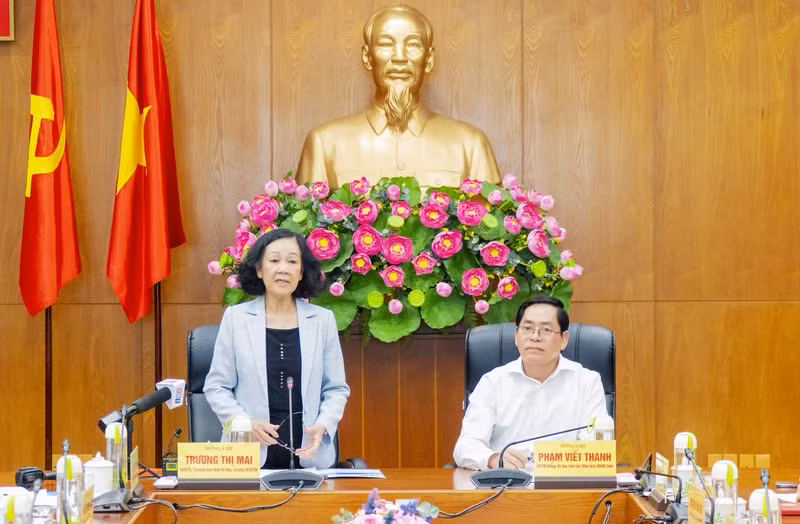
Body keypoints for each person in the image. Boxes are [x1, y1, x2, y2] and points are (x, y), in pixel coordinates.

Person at [296, 4, 501, 192]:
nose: (400, 57)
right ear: (367, 57)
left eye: (413, 45)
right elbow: (303, 224)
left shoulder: (470, 145)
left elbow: (491, 223)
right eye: (386, 44)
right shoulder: (325, 143)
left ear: (428, 60)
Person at [204, 229, 350, 469]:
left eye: (292, 261)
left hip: (309, 457)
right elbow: (216, 387)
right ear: (260, 269)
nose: (283, 268)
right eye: (274, 260)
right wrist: (243, 423)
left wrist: (324, 425)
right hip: (249, 459)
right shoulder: (236, 318)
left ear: (301, 272)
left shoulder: (322, 320)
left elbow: (336, 388)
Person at [453, 296, 607, 471]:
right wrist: (492, 459)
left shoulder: (587, 382)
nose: (535, 337)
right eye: (527, 328)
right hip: (506, 486)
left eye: (546, 330)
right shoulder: (493, 382)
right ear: (517, 336)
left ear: (564, 339)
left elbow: (597, 446)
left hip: (563, 485)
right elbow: (465, 446)